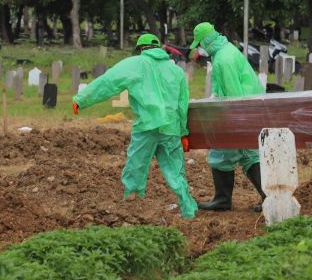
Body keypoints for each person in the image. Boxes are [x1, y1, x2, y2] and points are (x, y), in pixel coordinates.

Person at [72, 34, 197, 218]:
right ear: (159, 48)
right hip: (171, 128)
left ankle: (132, 210)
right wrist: (184, 133)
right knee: (176, 171)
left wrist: (81, 100)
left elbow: (108, 81)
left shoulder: (135, 64)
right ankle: (189, 211)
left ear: (141, 49)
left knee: (135, 168)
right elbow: (182, 105)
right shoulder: (176, 71)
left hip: (147, 127)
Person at [189, 22, 266, 212]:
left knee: (222, 152)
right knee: (249, 154)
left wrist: (234, 123)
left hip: (239, 112)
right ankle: (270, 197)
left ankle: (222, 200)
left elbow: (233, 95)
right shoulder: (226, 51)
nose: (200, 48)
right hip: (250, 110)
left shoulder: (223, 60)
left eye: (199, 44)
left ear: (206, 41)